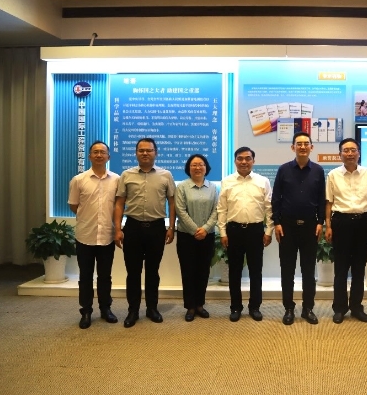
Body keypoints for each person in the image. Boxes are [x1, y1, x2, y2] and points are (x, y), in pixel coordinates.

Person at [113, 138, 176, 328]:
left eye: (149, 150)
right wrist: (118, 228)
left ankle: (152, 308)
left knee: (152, 271)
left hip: (157, 228)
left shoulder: (166, 175)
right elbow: (119, 203)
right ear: (136, 153)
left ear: (156, 153)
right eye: (141, 150)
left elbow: (172, 202)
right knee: (133, 272)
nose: (145, 153)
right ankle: (133, 310)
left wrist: (171, 227)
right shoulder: (126, 175)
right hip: (132, 227)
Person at [325, 138, 367, 324]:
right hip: (340, 223)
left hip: (362, 223)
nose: (350, 153)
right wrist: (328, 226)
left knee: (359, 268)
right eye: (346, 150)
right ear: (340, 154)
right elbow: (329, 203)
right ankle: (340, 308)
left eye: (353, 150)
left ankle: (357, 307)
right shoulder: (333, 175)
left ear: (359, 152)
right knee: (341, 269)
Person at [272, 132, 325, 325]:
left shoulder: (318, 170)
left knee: (308, 271)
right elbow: (276, 198)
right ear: (293, 147)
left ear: (311, 147)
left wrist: (320, 222)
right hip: (287, 227)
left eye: (306, 144)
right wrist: (277, 223)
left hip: (310, 227)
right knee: (287, 271)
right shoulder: (283, 170)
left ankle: (308, 308)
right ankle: (288, 308)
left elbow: (321, 198)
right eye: (299, 144)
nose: (302, 147)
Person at [217, 147, 273, 322]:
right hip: (233, 231)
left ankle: (255, 307)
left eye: (248, 158)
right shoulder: (227, 181)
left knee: (256, 271)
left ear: (253, 161)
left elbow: (269, 208)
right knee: (234, 271)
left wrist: (268, 231)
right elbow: (222, 209)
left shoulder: (263, 181)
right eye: (240, 158)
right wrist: (223, 232)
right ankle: (236, 307)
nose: (244, 162)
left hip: (255, 231)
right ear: (235, 161)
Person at [68, 141, 120, 329]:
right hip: (85, 236)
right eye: (95, 152)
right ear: (89, 156)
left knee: (105, 276)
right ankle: (86, 311)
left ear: (108, 157)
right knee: (85, 277)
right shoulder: (78, 180)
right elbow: (74, 205)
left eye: (102, 152)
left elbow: (118, 206)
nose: (99, 155)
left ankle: (106, 309)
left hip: (107, 235)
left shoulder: (116, 180)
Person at [175, 154, 218, 322]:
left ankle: (200, 304)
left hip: (207, 236)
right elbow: (180, 210)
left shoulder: (213, 188)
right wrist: (195, 230)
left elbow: (217, 210)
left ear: (206, 168)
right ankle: (190, 306)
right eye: (194, 165)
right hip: (186, 236)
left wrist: (205, 229)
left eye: (201, 164)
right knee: (188, 271)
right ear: (188, 168)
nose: (198, 167)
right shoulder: (182, 187)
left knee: (203, 271)